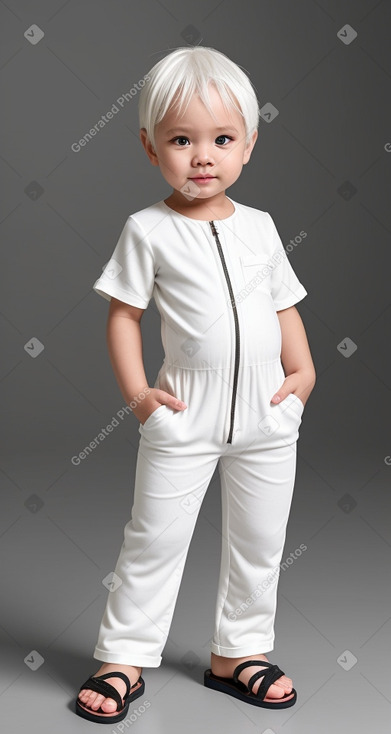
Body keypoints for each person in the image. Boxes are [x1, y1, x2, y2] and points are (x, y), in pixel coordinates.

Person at [75, 45, 316, 723]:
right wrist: (140, 398)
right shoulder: (147, 231)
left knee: (261, 540)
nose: (201, 156)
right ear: (151, 148)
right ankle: (123, 657)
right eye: (181, 140)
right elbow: (124, 315)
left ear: (249, 144)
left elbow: (282, 304)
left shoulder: (261, 229)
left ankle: (237, 653)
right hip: (185, 412)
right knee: (153, 537)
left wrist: (303, 373)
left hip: (268, 414)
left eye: (220, 139)